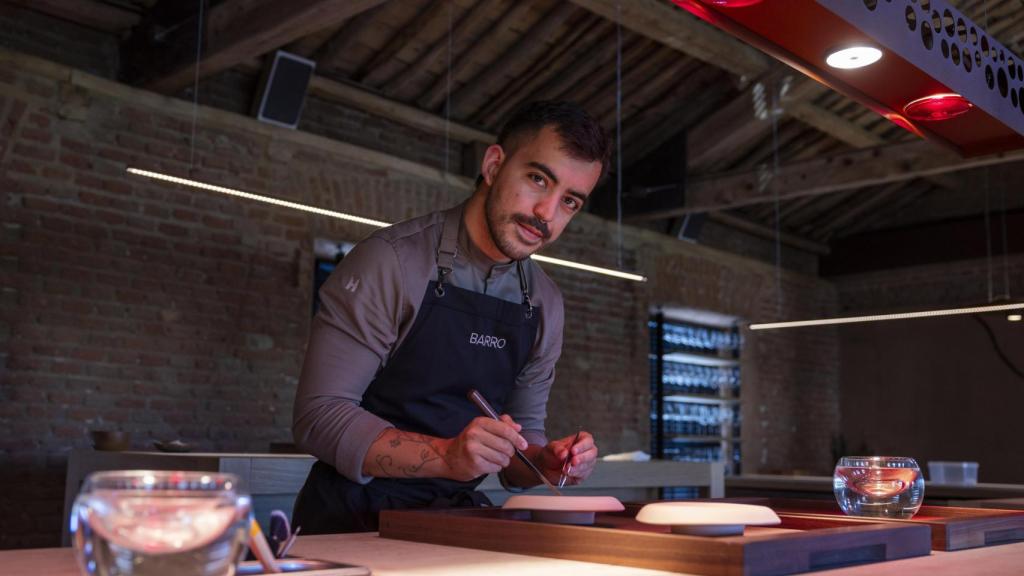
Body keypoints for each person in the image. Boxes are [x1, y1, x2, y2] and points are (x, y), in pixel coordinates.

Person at [292, 101, 611, 533]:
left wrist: (545, 461)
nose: (547, 214)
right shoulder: (392, 263)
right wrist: (448, 455)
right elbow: (319, 416)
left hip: (457, 522)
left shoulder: (544, 303)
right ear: (494, 164)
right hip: (351, 521)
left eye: (570, 201)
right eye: (538, 179)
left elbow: (522, 447)